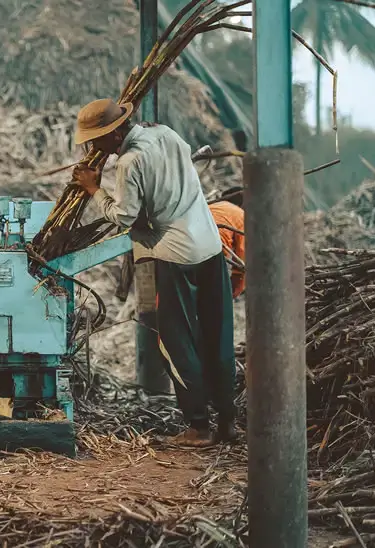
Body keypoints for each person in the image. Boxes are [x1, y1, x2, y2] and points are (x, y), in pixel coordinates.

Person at [71, 98, 236, 446]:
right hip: (209, 246)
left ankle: (198, 426)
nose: (92, 147)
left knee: (174, 341)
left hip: (172, 255)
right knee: (216, 335)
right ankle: (227, 422)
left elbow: (124, 217)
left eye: (96, 139)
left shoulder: (130, 162)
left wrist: (94, 189)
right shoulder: (167, 134)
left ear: (115, 135)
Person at [208, 187, 245, 299]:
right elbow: (242, 264)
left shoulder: (209, 207)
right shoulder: (241, 215)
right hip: (209, 253)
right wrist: (231, 294)